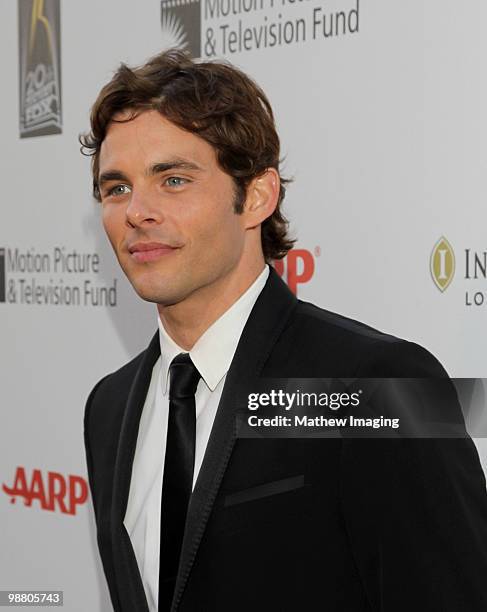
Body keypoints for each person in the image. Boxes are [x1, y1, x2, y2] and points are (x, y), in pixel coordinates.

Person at [81, 49, 487, 612]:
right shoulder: (110, 405)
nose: (137, 211)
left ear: (256, 197)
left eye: (173, 179)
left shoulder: (374, 386)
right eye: (116, 187)